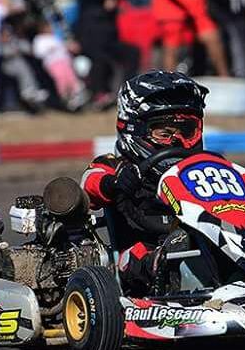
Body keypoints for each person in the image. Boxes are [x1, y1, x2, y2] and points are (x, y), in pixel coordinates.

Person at [80, 71, 209, 295]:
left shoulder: (201, 170)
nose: (176, 141)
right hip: (138, 255)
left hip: (204, 239)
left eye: (187, 131)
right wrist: (114, 182)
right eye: (165, 133)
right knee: (148, 254)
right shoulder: (117, 165)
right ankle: (169, 272)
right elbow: (89, 183)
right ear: (133, 129)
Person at [69, 0, 139, 109]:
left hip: (108, 22)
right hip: (91, 22)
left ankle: (127, 95)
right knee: (99, 57)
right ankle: (97, 95)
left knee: (131, 53)